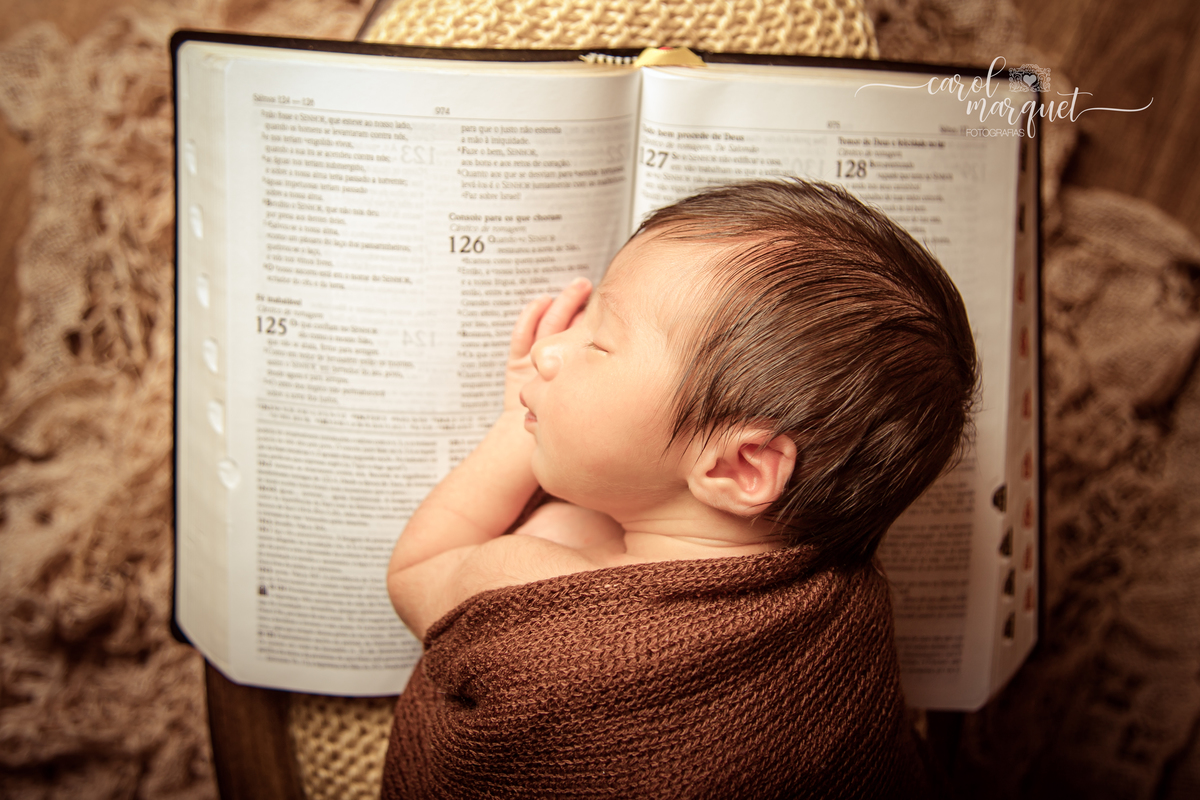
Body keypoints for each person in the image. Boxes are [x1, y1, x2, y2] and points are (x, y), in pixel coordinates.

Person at [381, 178, 976, 799]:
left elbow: (416, 569)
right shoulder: (844, 610)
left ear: (740, 468)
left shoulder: (526, 589)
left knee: (560, 524)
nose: (551, 351)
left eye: (600, 342)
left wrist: (514, 428)